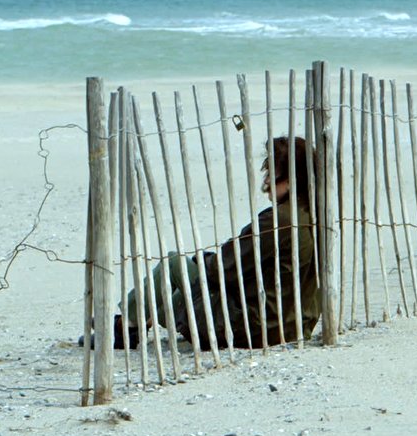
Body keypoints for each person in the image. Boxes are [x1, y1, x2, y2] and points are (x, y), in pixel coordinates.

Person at [117, 136, 320, 350]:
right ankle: (141, 317)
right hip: (294, 325)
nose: (267, 182)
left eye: (272, 174)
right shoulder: (313, 214)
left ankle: (124, 326)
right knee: (179, 292)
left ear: (291, 180)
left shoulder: (280, 221)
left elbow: (223, 268)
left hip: (254, 326)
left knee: (174, 264)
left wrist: (203, 261)